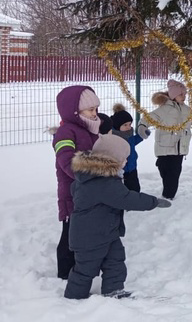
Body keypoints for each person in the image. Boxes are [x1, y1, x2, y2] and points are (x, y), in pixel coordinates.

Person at [64, 135, 171, 299]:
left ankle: (113, 290)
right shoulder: (103, 182)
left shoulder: (92, 177)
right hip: (89, 237)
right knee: (86, 269)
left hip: (106, 232)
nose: (126, 162)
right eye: (124, 158)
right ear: (112, 159)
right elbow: (127, 199)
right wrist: (153, 202)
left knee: (115, 259)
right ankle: (73, 297)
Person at [137, 79, 192, 199]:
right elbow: (149, 118)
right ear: (173, 95)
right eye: (181, 94)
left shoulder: (187, 110)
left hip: (180, 148)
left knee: (174, 173)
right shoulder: (164, 109)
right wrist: (142, 126)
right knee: (164, 170)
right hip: (164, 147)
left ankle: (168, 196)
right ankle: (161, 168)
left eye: (185, 94)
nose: (184, 96)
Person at [52, 85, 101, 279]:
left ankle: (84, 266)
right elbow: (67, 162)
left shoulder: (90, 129)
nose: (95, 113)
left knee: (85, 234)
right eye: (90, 110)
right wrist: (95, 173)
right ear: (74, 112)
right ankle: (64, 273)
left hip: (90, 192)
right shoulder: (65, 133)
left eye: (96, 109)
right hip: (73, 195)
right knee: (70, 236)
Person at [111, 103, 144, 192]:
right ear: (118, 126)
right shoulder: (113, 137)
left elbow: (133, 142)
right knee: (121, 190)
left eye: (129, 124)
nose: (128, 127)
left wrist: (141, 136)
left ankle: (135, 202)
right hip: (120, 170)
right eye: (125, 125)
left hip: (132, 167)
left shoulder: (129, 134)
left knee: (135, 188)